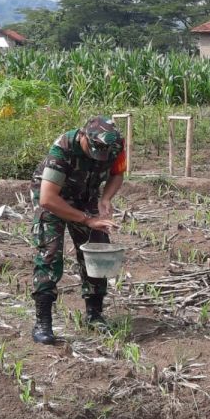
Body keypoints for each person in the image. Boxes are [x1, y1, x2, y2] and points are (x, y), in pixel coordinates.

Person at [30, 116, 124, 345]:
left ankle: (94, 314)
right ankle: (43, 322)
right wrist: (87, 219)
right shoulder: (62, 150)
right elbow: (47, 198)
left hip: (86, 197)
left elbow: (117, 173)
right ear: (82, 136)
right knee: (50, 254)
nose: (97, 157)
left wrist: (105, 198)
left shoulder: (115, 144)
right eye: (93, 151)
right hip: (54, 200)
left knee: (98, 249)